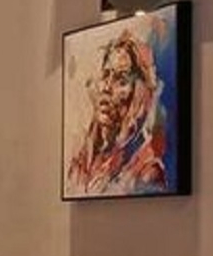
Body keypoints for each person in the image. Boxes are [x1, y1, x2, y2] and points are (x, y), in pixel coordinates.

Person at [66, 28, 168, 196]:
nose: (106, 88)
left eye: (121, 79)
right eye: (106, 75)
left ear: (139, 93)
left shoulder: (146, 170)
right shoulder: (84, 158)